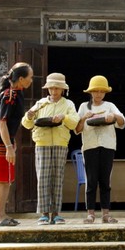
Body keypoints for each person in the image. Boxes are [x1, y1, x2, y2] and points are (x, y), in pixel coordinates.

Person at [22, 73, 80, 225]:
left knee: (57, 178)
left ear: (63, 89)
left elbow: (74, 123)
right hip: (42, 143)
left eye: (57, 88)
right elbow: (27, 124)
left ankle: (56, 214)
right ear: (48, 89)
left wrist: (64, 117)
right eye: (51, 88)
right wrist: (29, 116)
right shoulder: (40, 103)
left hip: (60, 143)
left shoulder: (68, 104)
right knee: (43, 178)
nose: (54, 91)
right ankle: (43, 214)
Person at [0, 62, 33, 227]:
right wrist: (8, 146)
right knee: (0, 179)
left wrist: (12, 142)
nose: (31, 80)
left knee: (6, 179)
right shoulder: (9, 95)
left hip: (6, 139)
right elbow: (2, 123)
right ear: (21, 79)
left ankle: (1, 214)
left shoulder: (18, 93)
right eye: (30, 77)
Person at [75, 75, 125, 224]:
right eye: (95, 91)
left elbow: (122, 121)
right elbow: (77, 129)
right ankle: (90, 213)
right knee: (91, 180)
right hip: (90, 145)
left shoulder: (110, 106)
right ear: (90, 92)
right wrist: (84, 118)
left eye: (101, 91)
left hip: (107, 145)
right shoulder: (84, 106)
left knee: (105, 180)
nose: (98, 94)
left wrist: (114, 116)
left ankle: (106, 213)